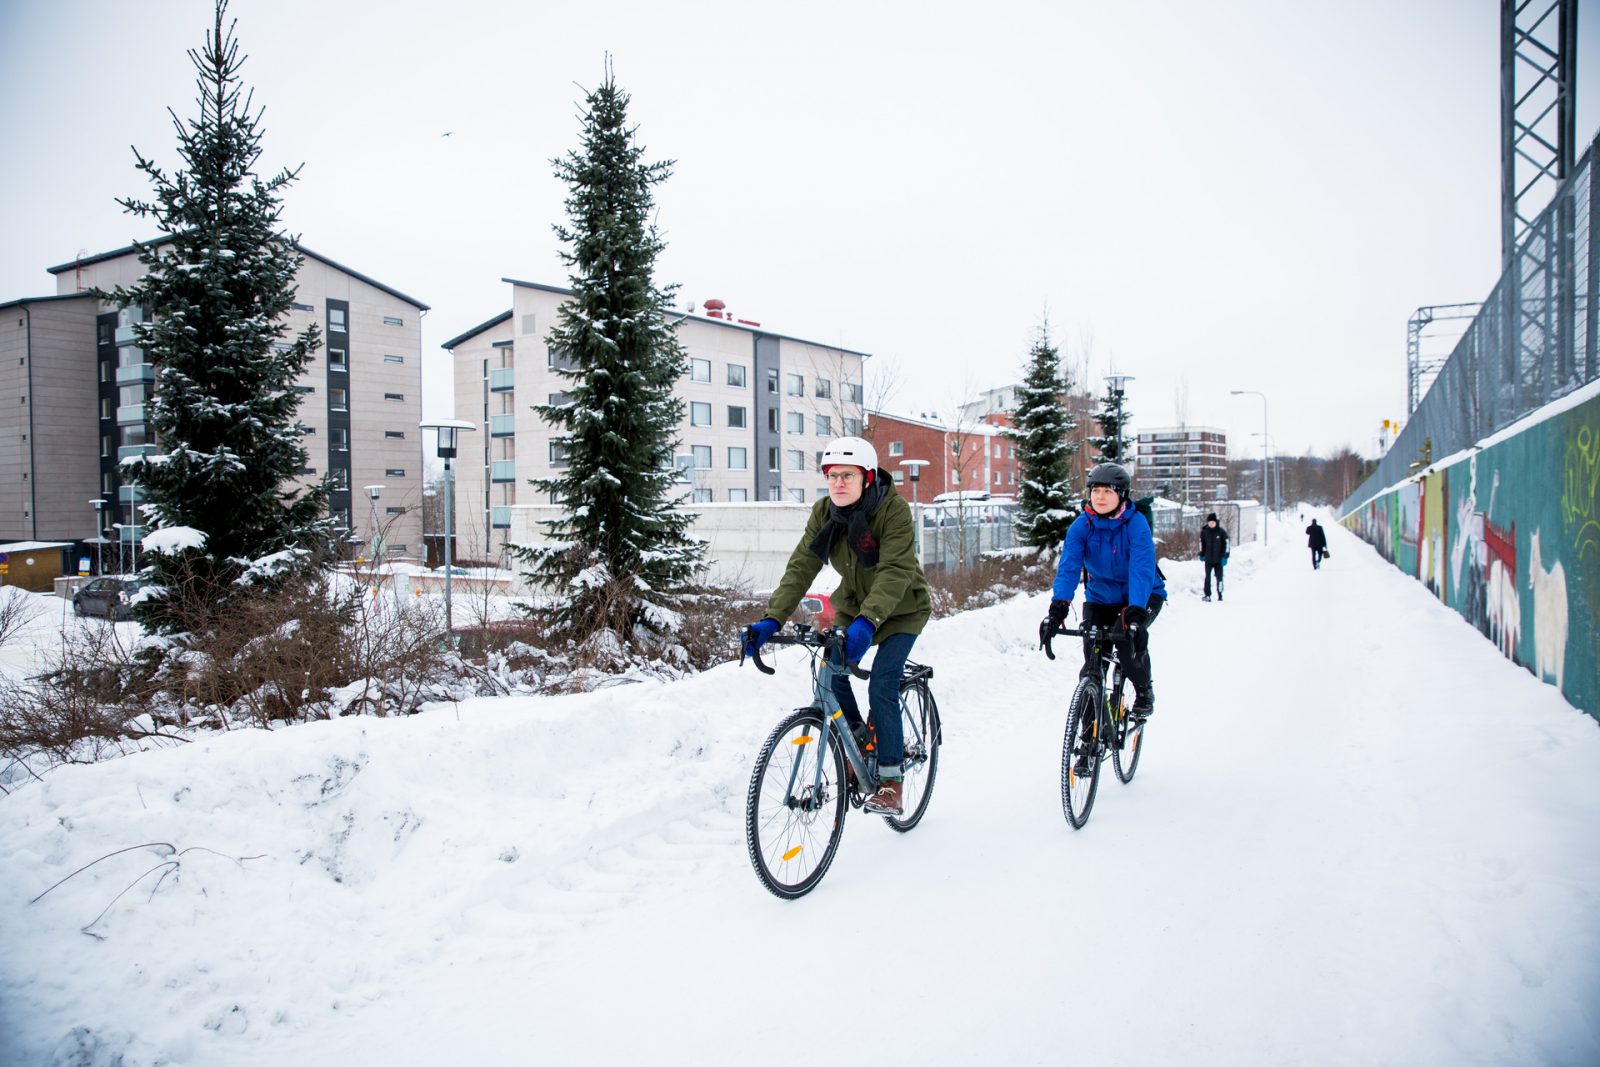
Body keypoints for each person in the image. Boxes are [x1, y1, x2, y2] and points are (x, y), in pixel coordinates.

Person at [742, 436, 932, 816]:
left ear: (866, 477)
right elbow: (802, 566)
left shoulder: (892, 511)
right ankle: (861, 740)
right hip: (855, 608)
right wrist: (772, 618)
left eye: (847, 475)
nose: (838, 483)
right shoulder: (825, 513)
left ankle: (892, 780)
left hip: (902, 611)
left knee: (882, 682)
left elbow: (895, 571)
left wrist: (868, 622)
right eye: (832, 476)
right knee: (831, 672)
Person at [1042, 462, 1162, 776]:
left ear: (1121, 495)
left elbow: (1141, 567)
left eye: (1107, 491)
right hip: (1100, 598)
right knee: (1091, 669)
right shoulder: (1082, 525)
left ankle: (1143, 687)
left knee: (1126, 643)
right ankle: (1087, 744)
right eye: (1095, 490)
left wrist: (1136, 611)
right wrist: (1057, 608)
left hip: (1142, 594)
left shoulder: (1135, 524)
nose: (1100, 496)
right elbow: (1068, 567)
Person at [1198, 512, 1230, 602]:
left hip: (1219, 560)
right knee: (1207, 577)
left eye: (1213, 522)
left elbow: (1227, 544)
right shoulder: (1204, 532)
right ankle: (1207, 595)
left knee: (1219, 577)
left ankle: (1220, 594)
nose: (1211, 524)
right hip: (1208, 559)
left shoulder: (1221, 532)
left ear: (1216, 522)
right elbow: (1201, 544)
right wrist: (1201, 554)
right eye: (1210, 522)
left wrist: (1225, 556)